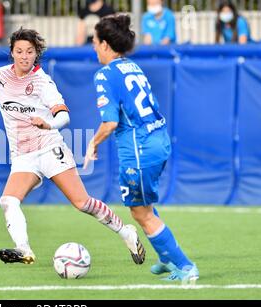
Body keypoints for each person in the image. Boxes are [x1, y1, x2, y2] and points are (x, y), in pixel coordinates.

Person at [0, 27, 146, 266]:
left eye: (30, 51)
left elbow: (64, 116)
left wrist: (49, 124)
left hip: (49, 148)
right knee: (8, 200)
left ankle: (126, 232)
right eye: (20, 51)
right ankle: (24, 249)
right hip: (23, 157)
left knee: (82, 203)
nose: (25, 56)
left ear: (36, 54)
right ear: (12, 53)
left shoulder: (42, 82)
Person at [84, 14, 199, 282]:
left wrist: (93, 142)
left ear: (105, 44)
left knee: (140, 213)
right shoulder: (132, 66)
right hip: (158, 140)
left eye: (94, 41)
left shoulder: (105, 74)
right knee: (143, 206)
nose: (92, 46)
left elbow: (110, 122)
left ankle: (185, 266)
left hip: (139, 149)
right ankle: (166, 257)